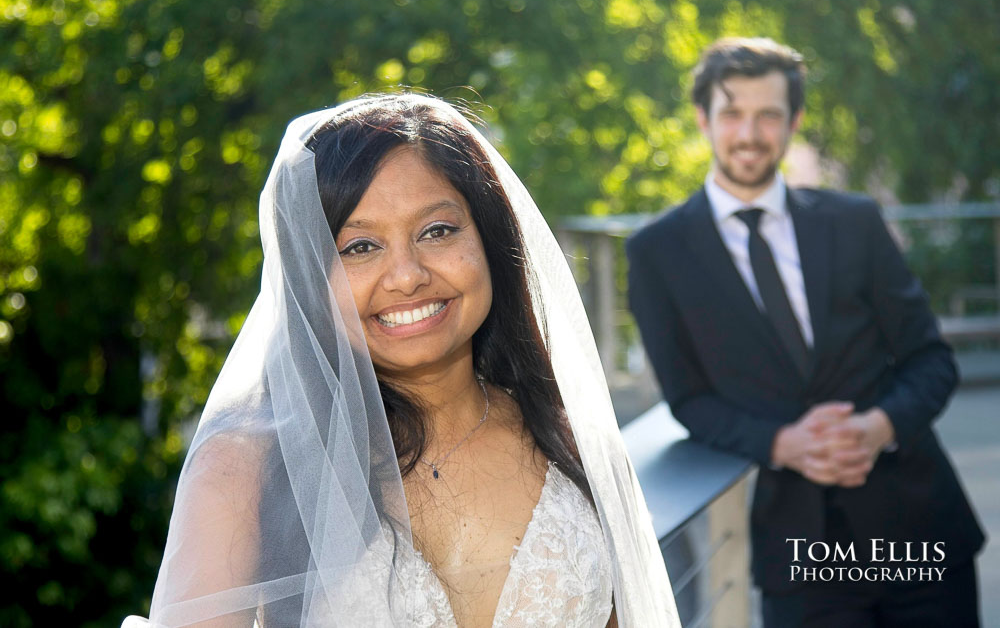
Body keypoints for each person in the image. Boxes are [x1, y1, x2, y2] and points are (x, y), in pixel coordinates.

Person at [123, 94, 680, 627]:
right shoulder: (249, 466)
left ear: (489, 240)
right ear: (308, 282)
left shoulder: (567, 435)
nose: (408, 275)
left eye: (436, 231)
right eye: (359, 247)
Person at [626, 38, 984, 626]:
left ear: (793, 121)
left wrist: (878, 427)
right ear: (703, 119)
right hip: (800, 549)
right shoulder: (657, 253)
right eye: (733, 113)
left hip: (919, 531)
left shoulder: (854, 222)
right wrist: (780, 444)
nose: (750, 133)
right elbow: (689, 399)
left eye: (768, 114)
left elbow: (932, 362)